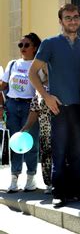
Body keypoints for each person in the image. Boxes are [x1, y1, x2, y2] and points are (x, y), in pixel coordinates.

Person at [28, 4, 80, 208]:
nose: (72, 21)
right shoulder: (49, 43)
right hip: (58, 107)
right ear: (61, 21)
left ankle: (75, 191)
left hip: (78, 107)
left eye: (75, 17)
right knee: (59, 151)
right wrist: (46, 96)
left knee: (76, 152)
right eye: (67, 17)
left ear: (79, 19)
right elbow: (32, 73)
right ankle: (58, 193)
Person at [0, 33, 41, 193]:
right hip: (12, 105)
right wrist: (2, 106)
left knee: (30, 142)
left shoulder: (37, 65)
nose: (22, 48)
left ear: (34, 47)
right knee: (14, 143)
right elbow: (3, 85)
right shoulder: (12, 64)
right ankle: (14, 178)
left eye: (26, 45)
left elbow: (42, 86)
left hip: (30, 107)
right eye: (20, 45)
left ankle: (30, 178)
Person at [20, 65, 52, 194]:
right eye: (44, 68)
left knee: (64, 158)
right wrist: (25, 128)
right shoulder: (39, 89)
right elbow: (34, 110)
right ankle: (50, 184)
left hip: (63, 130)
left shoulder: (62, 85)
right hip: (46, 132)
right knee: (46, 158)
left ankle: (64, 183)